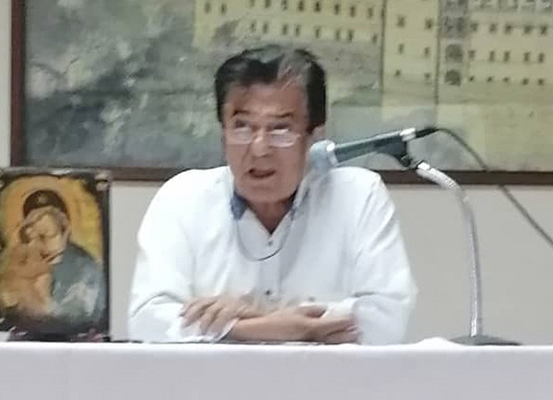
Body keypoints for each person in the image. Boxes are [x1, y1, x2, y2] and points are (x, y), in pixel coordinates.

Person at [129, 45, 416, 344]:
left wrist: (245, 321)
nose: (259, 149)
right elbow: (147, 321)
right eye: (242, 127)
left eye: (280, 129)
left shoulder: (358, 196)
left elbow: (386, 319)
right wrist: (267, 327)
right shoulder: (182, 199)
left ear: (314, 136)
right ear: (223, 132)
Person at [0, 189, 106, 333]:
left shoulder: (85, 267)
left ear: (65, 231)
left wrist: (44, 300)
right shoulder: (26, 261)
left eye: (46, 236)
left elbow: (79, 314)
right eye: (31, 238)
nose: (38, 246)